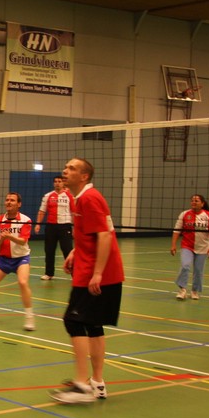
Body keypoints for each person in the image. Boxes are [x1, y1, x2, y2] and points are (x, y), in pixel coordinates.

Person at [51, 158, 125, 404]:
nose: (65, 170)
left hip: (97, 273)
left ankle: (81, 385)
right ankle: (97, 382)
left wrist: (98, 273)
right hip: (92, 269)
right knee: (93, 324)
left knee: (73, 321)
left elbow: (105, 236)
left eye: (71, 168)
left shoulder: (89, 198)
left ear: (84, 176)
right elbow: (94, 233)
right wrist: (75, 251)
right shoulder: (79, 198)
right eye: (66, 167)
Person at [0, 193, 36, 331]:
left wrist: (10, 236)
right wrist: (2, 238)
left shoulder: (25, 220)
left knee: (23, 282)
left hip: (21, 258)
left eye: (12, 200)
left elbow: (23, 241)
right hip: (4, 259)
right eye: (7, 200)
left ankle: (29, 317)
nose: (9, 202)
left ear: (19, 204)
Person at [170, 194, 209, 300]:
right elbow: (177, 231)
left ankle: (194, 291)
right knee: (185, 265)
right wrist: (173, 245)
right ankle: (182, 290)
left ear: (202, 203)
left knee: (198, 270)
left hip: (203, 247)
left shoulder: (208, 216)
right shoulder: (184, 214)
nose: (193, 202)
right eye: (192, 200)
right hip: (187, 245)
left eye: (196, 201)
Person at [33, 175, 74, 281]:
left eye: (59, 181)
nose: (57, 183)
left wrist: (76, 227)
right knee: (49, 250)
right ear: (53, 183)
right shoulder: (48, 196)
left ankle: (75, 274)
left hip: (65, 226)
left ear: (63, 183)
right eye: (55, 181)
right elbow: (42, 211)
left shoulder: (69, 196)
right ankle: (49, 273)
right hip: (51, 226)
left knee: (67, 250)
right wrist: (38, 224)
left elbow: (74, 212)